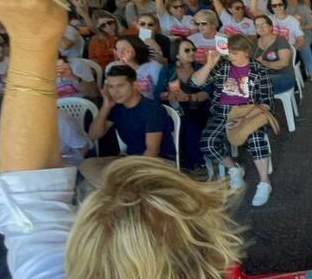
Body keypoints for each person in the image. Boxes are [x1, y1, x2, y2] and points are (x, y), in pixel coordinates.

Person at [0, 0, 312, 279]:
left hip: (245, 112)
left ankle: (248, 170)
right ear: (208, 259)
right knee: (212, 137)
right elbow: (28, 203)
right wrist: (33, 40)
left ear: (86, 257)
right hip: (226, 114)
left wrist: (31, 40)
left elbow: (28, 200)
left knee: (245, 134)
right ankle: (233, 167)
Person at [192, 35, 276, 207]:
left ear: (246, 52)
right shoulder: (222, 66)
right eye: (229, 52)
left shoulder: (259, 70)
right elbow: (195, 83)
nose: (230, 56)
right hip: (222, 112)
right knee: (208, 142)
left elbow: (267, 103)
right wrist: (209, 64)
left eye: (235, 52)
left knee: (256, 138)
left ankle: (264, 182)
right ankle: (234, 169)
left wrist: (244, 119)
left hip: (248, 112)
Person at [84, 64, 175, 177]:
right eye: (111, 87)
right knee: (87, 164)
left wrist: (130, 171)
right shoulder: (117, 107)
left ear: (134, 85)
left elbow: (152, 151)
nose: (115, 91)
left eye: (120, 86)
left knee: (113, 177)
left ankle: (116, 187)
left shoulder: (152, 110)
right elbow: (93, 135)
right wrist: (106, 106)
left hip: (158, 162)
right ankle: (116, 187)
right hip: (129, 158)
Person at [154, 38, 211, 170]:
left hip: (199, 107)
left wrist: (189, 97)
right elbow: (157, 93)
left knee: (189, 121)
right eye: (187, 50)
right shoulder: (168, 70)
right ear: (177, 54)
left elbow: (208, 92)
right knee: (184, 120)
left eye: (193, 49)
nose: (192, 52)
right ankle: (195, 162)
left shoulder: (200, 68)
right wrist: (169, 94)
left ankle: (196, 162)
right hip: (176, 108)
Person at [253, 16, 296, 93]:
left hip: (284, 76)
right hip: (262, 76)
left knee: (254, 84)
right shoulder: (254, 42)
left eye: (264, 24)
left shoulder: (280, 40)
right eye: (257, 26)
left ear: (271, 27)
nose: (260, 27)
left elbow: (284, 63)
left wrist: (264, 63)